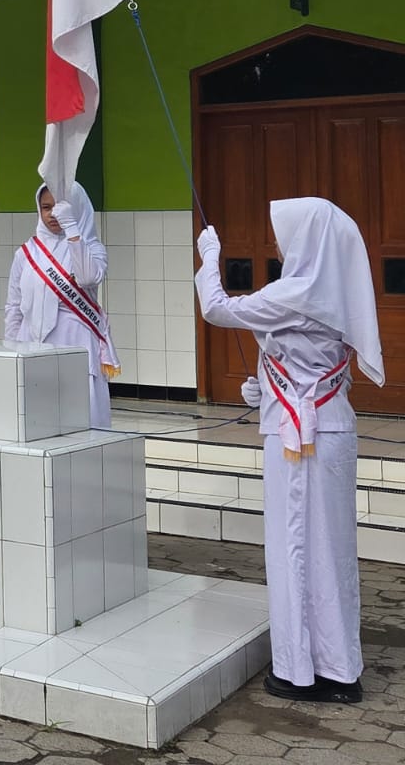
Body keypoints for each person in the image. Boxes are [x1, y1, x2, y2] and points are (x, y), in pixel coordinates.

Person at [197, 198, 384, 704]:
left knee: (296, 548)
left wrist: (209, 257)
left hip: (303, 441)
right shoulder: (329, 290)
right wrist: (265, 388)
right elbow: (306, 360)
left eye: (287, 234)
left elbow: (218, 309)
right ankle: (337, 667)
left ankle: (304, 671)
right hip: (320, 428)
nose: (279, 243)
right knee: (329, 552)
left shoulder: (298, 291)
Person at [4, 182, 119, 429]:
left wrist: (72, 229)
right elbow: (14, 306)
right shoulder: (25, 253)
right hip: (31, 343)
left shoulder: (91, 248)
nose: (52, 214)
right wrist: (10, 348)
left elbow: (88, 277)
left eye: (59, 207)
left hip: (75, 341)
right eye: (46, 207)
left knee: (80, 418)